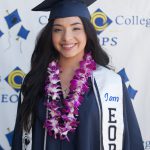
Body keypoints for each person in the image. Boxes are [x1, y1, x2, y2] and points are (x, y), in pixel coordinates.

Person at [11, 0, 144, 150]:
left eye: (76, 28)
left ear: (87, 32)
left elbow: (130, 141)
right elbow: (20, 140)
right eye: (58, 29)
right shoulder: (33, 83)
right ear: (50, 35)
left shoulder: (110, 84)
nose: (67, 37)